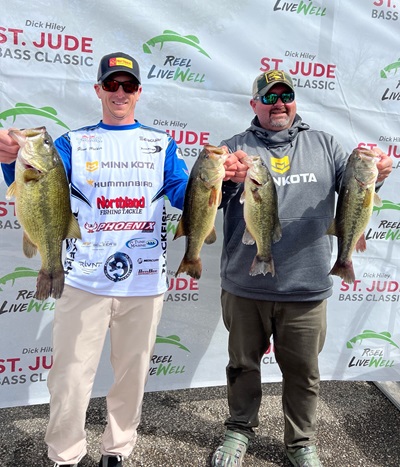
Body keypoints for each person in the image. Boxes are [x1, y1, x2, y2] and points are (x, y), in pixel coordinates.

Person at [1, 52, 191, 467]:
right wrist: (7, 160)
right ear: (98, 90)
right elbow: (39, 190)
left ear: (139, 91)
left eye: (127, 85)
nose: (119, 92)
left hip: (144, 282)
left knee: (131, 377)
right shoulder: (71, 142)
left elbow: (180, 191)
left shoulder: (161, 143)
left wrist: (218, 185)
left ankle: (117, 450)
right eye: (111, 84)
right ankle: (65, 455)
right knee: (69, 377)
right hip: (83, 279)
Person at [211, 69, 393, 467]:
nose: (279, 103)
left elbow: (355, 191)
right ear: (254, 103)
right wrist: (224, 180)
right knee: (242, 365)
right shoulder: (234, 148)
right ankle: (239, 429)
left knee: (303, 371)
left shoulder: (326, 145)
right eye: (270, 96)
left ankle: (300, 442)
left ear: (294, 101)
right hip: (245, 285)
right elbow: (214, 199)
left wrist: (376, 174)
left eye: (286, 96)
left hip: (306, 286)